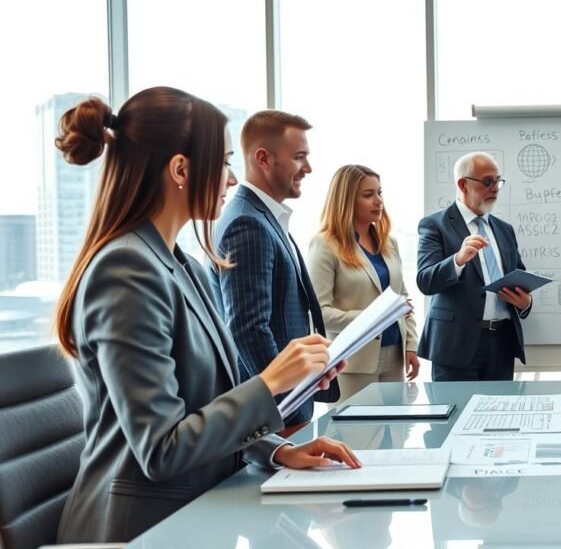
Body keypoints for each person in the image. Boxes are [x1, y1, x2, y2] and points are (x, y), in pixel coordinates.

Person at [52, 88, 359, 544]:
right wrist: (270, 382)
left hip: (193, 509)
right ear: (180, 169)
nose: (233, 180)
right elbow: (161, 448)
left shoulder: (185, 265)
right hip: (139, 530)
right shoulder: (125, 270)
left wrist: (278, 452)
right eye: (225, 163)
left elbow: (205, 406)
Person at [209, 110, 338, 431]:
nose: (308, 168)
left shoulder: (263, 217)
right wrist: (286, 403)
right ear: (263, 159)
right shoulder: (246, 223)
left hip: (286, 401)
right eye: (299, 157)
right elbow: (248, 328)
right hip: (278, 411)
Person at [416, 152, 533, 381]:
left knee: (499, 415)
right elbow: (425, 281)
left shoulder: (503, 229)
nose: (495, 188)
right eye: (487, 181)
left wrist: (525, 303)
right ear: (463, 184)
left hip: (502, 343)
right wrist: (458, 260)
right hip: (455, 344)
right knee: (457, 415)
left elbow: (519, 276)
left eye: (497, 181)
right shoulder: (434, 225)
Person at [308, 164, 420, 403]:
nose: (378, 201)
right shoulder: (325, 245)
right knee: (358, 438)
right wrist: (373, 318)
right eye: (368, 195)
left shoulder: (390, 243)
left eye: (380, 193)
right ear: (346, 200)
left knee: (395, 435)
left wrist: (411, 344)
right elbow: (320, 312)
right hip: (352, 362)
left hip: (395, 357)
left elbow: (404, 300)